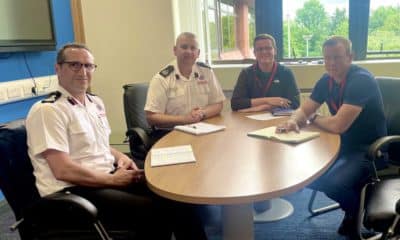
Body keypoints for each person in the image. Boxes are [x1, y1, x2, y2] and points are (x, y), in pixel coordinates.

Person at [26, 43, 207, 240]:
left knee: (175, 193)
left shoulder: (94, 102)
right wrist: (113, 180)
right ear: (58, 68)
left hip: (105, 176)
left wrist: (121, 157)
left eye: (88, 66)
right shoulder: (48, 111)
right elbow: (63, 170)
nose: (83, 71)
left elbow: (99, 145)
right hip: (75, 191)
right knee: (157, 210)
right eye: (75, 65)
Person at [277, 36, 387, 238]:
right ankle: (354, 201)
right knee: (301, 176)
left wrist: (314, 117)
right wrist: (295, 120)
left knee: (333, 183)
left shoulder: (361, 80)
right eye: (327, 58)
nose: (332, 63)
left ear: (350, 57)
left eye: (337, 57)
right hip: (339, 144)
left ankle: (354, 211)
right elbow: (305, 109)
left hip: (368, 148)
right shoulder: (326, 81)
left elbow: (338, 125)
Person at [145, 32, 225, 128]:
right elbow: (151, 117)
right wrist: (184, 119)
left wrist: (201, 114)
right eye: (184, 47)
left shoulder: (206, 72)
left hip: (202, 128)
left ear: (198, 53)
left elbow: (218, 104)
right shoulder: (162, 79)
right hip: (171, 132)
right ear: (175, 50)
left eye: (193, 48)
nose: (188, 51)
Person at [231, 33, 300, 112]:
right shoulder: (246, 73)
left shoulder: (286, 72)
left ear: (275, 51)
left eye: (268, 48)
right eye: (260, 49)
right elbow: (235, 104)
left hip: (279, 119)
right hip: (251, 120)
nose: (264, 52)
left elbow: (295, 103)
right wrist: (269, 100)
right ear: (254, 53)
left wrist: (265, 107)